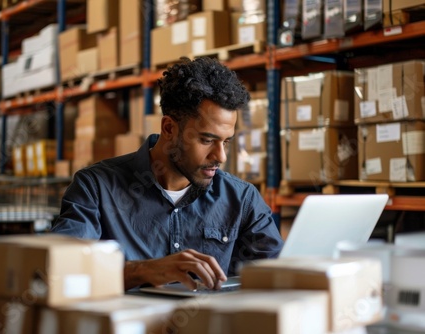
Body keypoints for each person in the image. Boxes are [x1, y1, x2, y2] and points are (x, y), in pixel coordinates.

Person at [52, 57, 283, 291]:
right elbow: (62, 271)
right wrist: (141, 271)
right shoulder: (96, 188)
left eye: (226, 142)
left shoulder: (242, 199)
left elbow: (277, 276)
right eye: (206, 140)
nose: (221, 156)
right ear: (169, 128)